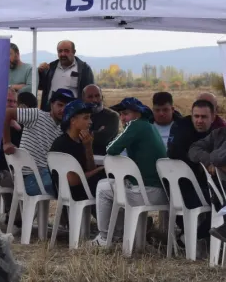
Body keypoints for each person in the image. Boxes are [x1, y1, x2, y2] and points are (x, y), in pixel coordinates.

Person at [92, 97, 168, 246]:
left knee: (103, 187)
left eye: (126, 113)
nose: (122, 118)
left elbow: (111, 149)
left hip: (147, 192)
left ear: (137, 113)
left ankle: (105, 237)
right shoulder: (150, 126)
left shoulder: (135, 125)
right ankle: (118, 235)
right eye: (120, 114)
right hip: (162, 192)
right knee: (116, 187)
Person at [3, 88, 76, 196]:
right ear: (52, 105)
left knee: (73, 181)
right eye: (60, 105)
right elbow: (7, 113)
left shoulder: (64, 129)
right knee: (70, 182)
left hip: (45, 176)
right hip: (28, 179)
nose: (63, 109)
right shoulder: (37, 115)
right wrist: (6, 142)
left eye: (68, 106)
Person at [169, 99, 223, 240]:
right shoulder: (185, 131)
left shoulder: (218, 133)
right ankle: (196, 238)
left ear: (213, 117)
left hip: (212, 188)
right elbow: (192, 150)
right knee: (217, 202)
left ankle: (195, 238)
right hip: (189, 190)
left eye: (204, 117)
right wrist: (208, 161)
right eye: (196, 116)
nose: (199, 120)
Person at [49, 100, 105, 201]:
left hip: (81, 188)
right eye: (86, 118)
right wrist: (99, 170)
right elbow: (73, 181)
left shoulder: (81, 140)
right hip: (71, 192)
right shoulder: (62, 144)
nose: (90, 122)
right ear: (73, 120)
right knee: (106, 182)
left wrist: (88, 147)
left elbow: (90, 169)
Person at [36, 40, 94, 111]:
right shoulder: (50, 67)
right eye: (60, 51)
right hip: (50, 112)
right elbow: (40, 86)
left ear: (74, 52)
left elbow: (90, 92)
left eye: (66, 51)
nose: (63, 54)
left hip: (73, 112)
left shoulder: (84, 69)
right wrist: (39, 72)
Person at [81, 84, 120, 155]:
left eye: (97, 96)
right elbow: (73, 136)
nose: (94, 100)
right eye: (90, 97)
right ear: (83, 100)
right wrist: (96, 133)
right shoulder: (78, 116)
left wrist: (86, 134)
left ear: (102, 97)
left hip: (104, 160)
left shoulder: (112, 116)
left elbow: (103, 140)